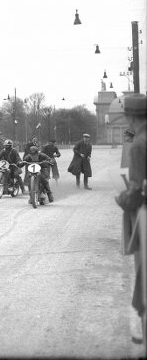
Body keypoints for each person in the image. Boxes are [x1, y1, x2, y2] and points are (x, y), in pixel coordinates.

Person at [114, 94, 147, 344]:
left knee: (144, 272)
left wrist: (122, 199)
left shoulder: (139, 144)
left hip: (144, 213)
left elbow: (136, 192)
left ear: (131, 116)